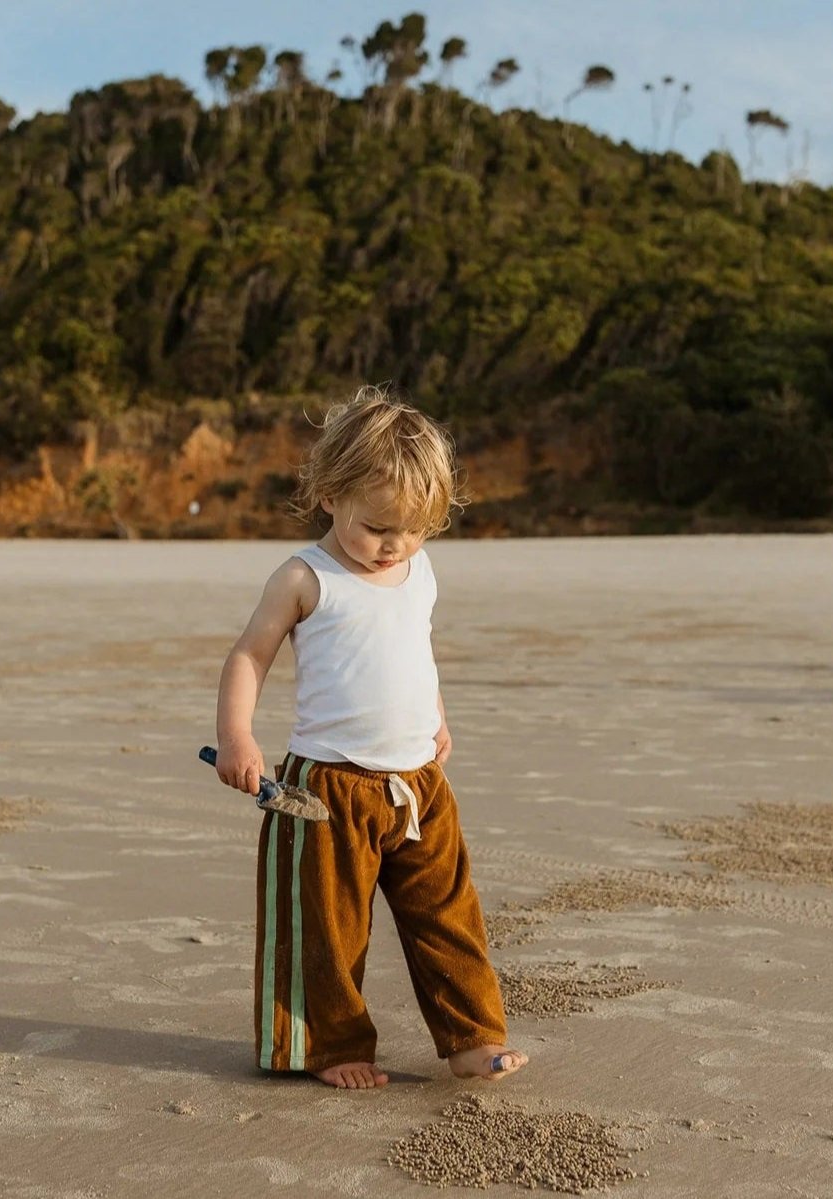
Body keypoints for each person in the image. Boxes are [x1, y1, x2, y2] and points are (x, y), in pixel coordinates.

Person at [213, 385, 528, 1090]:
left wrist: (435, 716)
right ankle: (333, 1044)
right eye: (380, 526)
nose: (396, 545)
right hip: (326, 789)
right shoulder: (305, 577)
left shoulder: (417, 569)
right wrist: (237, 734)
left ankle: (473, 1037)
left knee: (449, 916)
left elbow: (414, 648)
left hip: (418, 784)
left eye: (415, 528)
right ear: (330, 494)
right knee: (326, 929)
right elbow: (249, 655)